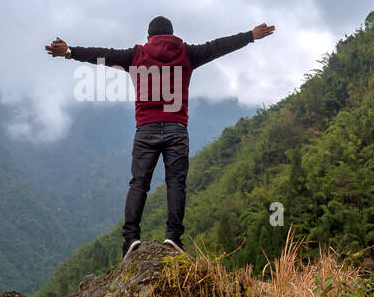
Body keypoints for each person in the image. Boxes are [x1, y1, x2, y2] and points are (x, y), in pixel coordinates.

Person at [45, 16, 275, 259]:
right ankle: (173, 237)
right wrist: (250, 36)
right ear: (173, 34)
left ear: (148, 37)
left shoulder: (136, 55)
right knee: (176, 183)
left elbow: (102, 54)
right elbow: (219, 46)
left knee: (138, 184)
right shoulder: (187, 52)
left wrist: (70, 52)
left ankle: (131, 239)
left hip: (146, 129)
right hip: (176, 128)